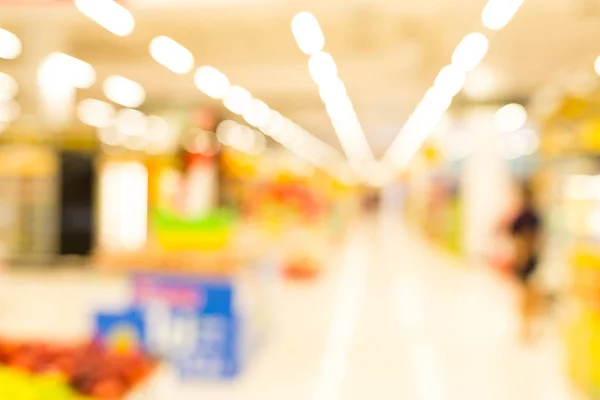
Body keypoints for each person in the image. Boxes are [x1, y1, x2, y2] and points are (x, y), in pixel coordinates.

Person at [508, 182, 542, 342]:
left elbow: (525, 238)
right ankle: (526, 328)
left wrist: (523, 254)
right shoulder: (531, 215)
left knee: (526, 294)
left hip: (526, 259)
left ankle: (526, 328)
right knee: (526, 294)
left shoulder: (526, 215)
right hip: (529, 259)